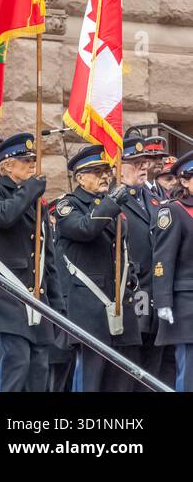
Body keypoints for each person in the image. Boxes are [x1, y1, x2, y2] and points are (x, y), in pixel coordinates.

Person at [55, 145, 140, 391]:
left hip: (119, 306)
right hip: (90, 310)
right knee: (91, 381)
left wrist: (131, 274)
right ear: (80, 178)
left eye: (107, 170)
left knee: (121, 383)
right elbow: (85, 230)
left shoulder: (110, 206)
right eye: (96, 171)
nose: (105, 176)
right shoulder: (68, 206)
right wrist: (111, 203)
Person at [0, 132, 55, 392]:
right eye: (26, 162)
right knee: (13, 365)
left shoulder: (34, 201)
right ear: (7, 165)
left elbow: (48, 256)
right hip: (5, 299)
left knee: (38, 370)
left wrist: (58, 304)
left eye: (33, 162)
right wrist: (31, 190)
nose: (33, 167)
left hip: (35, 300)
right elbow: (3, 216)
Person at [112, 137, 167, 382]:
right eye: (135, 162)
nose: (143, 167)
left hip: (155, 290)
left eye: (144, 162)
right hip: (131, 291)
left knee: (154, 368)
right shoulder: (113, 200)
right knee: (129, 369)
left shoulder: (153, 198)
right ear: (118, 166)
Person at [153, 152, 193, 390]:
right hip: (187, 303)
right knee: (189, 374)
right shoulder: (174, 211)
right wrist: (163, 300)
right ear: (185, 181)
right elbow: (163, 258)